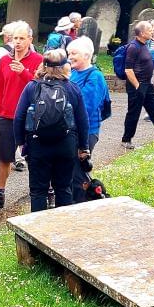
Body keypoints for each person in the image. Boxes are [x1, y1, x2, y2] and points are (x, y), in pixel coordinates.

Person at [15, 50, 89, 211]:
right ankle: (62, 230)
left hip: (37, 144)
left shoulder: (32, 87)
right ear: (64, 67)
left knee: (38, 191)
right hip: (66, 145)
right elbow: (83, 120)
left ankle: (37, 232)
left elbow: (19, 117)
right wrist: (83, 146)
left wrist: (21, 143)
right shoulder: (72, 88)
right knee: (64, 188)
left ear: (43, 65)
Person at [0, 21, 42, 209]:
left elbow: (41, 87)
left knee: (35, 156)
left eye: (22, 38)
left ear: (30, 40)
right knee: (5, 157)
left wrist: (24, 73)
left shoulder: (38, 60)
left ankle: (41, 193)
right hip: (6, 115)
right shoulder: (4, 60)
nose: (17, 42)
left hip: (30, 116)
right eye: (15, 38)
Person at [67, 37, 110, 201]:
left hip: (87, 131)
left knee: (78, 173)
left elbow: (86, 107)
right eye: (69, 53)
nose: (69, 56)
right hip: (70, 130)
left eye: (74, 53)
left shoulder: (95, 77)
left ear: (86, 55)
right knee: (71, 170)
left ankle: (83, 205)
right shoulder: (73, 73)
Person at [120, 20, 154, 149]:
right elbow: (128, 70)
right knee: (134, 112)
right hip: (137, 85)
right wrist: (137, 86)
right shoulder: (134, 47)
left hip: (147, 84)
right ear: (141, 33)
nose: (151, 31)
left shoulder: (144, 44)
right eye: (149, 29)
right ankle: (126, 139)